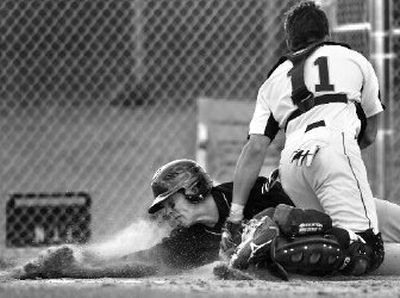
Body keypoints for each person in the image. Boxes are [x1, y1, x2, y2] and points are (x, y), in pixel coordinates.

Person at [224, 1, 385, 275]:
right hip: (334, 148)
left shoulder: (272, 80)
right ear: (327, 33)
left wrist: (235, 216)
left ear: (289, 40)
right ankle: (277, 228)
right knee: (367, 251)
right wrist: (340, 159)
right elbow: (370, 133)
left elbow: (255, 148)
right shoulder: (355, 60)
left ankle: (272, 237)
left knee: (324, 239)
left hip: (291, 165)